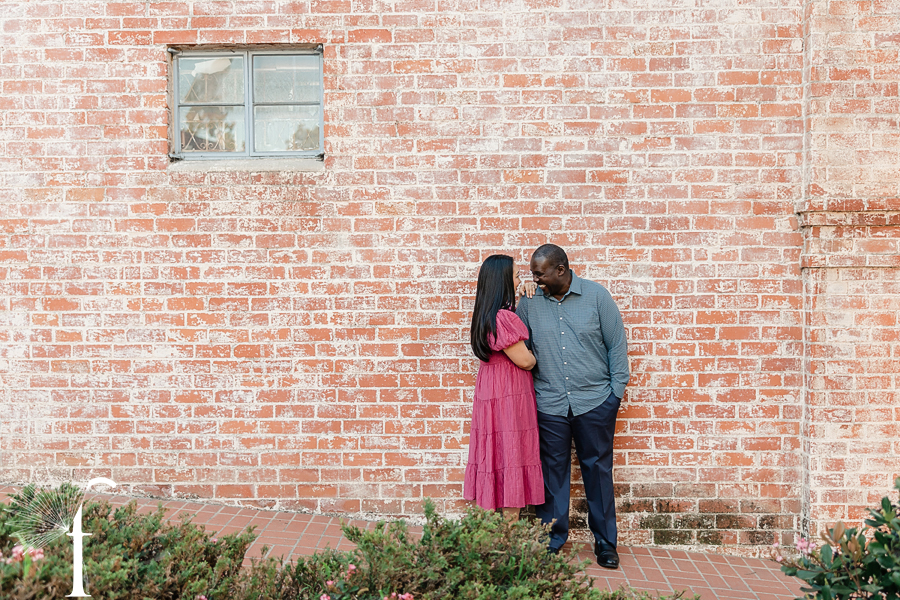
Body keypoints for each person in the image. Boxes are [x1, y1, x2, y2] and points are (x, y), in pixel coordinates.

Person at [515, 243, 629, 569]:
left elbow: (616, 346)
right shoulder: (530, 303)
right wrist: (518, 292)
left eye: (539, 274)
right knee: (553, 474)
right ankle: (552, 540)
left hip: (595, 402)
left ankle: (605, 543)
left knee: (598, 472)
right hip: (549, 403)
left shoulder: (597, 297)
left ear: (560, 270)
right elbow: (516, 342)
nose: (535, 279)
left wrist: (614, 395)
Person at [463, 254, 545, 519]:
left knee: (493, 453)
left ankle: (487, 532)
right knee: (512, 452)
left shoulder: (486, 314)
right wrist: (534, 357)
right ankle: (509, 532)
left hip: (491, 390)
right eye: (517, 276)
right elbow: (525, 361)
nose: (520, 280)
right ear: (503, 281)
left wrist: (523, 295)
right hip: (508, 393)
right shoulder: (503, 318)